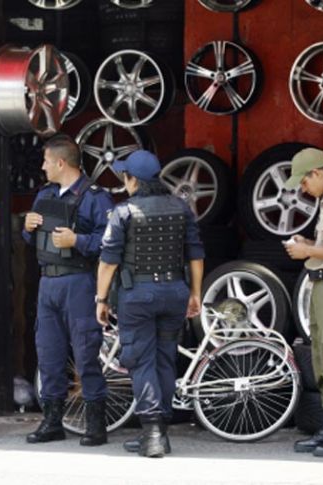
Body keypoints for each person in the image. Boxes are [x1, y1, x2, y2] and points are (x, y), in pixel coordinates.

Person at [95, 150, 204, 458]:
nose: (124, 182)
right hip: (175, 293)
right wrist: (195, 293)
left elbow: (108, 262)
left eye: (125, 176)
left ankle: (152, 433)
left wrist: (101, 299)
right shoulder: (181, 208)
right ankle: (162, 433)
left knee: (141, 361)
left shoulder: (123, 212)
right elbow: (195, 254)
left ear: (134, 180)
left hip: (137, 296)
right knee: (165, 359)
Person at [22, 134, 114, 447]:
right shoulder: (45, 194)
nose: (43, 167)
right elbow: (30, 240)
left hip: (79, 281)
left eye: (46, 161)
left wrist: (78, 241)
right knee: (48, 352)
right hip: (48, 282)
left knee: (86, 352)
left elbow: (112, 240)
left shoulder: (95, 197)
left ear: (61, 163)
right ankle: (52, 421)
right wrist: (29, 227)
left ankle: (95, 425)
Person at [284, 148, 323, 458]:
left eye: (303, 183)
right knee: (320, 356)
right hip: (320, 283)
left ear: (316, 173)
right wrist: (310, 244)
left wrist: (308, 253)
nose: (303, 190)